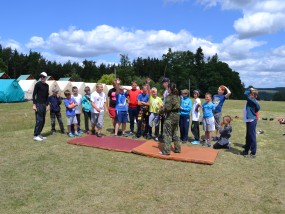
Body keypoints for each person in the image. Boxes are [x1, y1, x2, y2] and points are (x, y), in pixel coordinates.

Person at [159, 82, 181, 155]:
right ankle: (177, 149)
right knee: (175, 133)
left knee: (167, 133)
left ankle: (166, 151)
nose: (167, 89)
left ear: (170, 88)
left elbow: (167, 108)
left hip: (170, 117)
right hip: (177, 116)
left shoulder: (170, 97)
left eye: (168, 88)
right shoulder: (178, 96)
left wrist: (160, 110)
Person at [240, 88, 260, 158]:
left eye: (251, 94)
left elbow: (245, 93)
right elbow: (257, 109)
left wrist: (250, 89)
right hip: (249, 120)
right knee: (248, 136)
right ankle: (246, 151)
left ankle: (253, 153)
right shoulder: (252, 101)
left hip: (251, 120)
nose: (249, 94)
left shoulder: (252, 100)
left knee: (252, 136)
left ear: (254, 95)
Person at [32, 72, 49, 141]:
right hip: (38, 104)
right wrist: (34, 104)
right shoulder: (37, 84)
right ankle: (35, 135)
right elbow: (34, 95)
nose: (42, 78)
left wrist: (48, 105)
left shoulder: (47, 85)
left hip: (44, 105)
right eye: (41, 76)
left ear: (46, 77)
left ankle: (39, 133)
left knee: (43, 120)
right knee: (39, 120)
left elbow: (47, 96)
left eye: (43, 76)